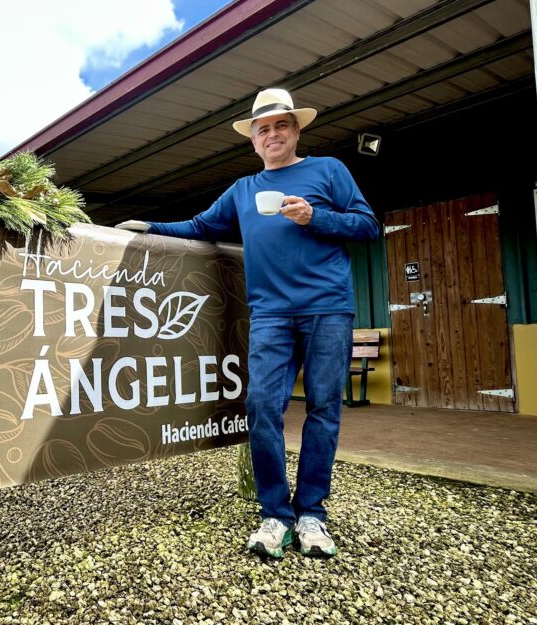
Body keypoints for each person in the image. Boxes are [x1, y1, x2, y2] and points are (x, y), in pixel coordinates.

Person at [116, 88, 379, 559]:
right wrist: (150, 228)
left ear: (296, 131)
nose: (272, 134)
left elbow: (367, 225)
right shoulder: (243, 189)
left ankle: (312, 514)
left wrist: (315, 217)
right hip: (270, 313)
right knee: (261, 407)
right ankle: (276, 515)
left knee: (323, 409)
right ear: (253, 140)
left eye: (281, 125)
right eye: (263, 129)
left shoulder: (329, 170)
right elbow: (200, 227)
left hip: (327, 308)